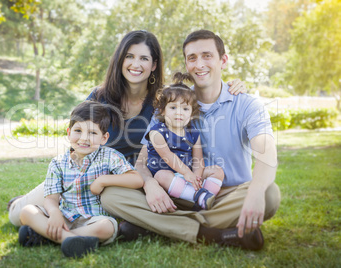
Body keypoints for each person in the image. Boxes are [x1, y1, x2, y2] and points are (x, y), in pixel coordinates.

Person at [7, 30, 246, 227]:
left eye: (144, 58)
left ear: (154, 65)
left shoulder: (162, 103)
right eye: (129, 56)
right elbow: (78, 140)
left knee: (110, 210)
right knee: (18, 217)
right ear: (120, 60)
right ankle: (20, 203)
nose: (135, 64)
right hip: (88, 175)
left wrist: (234, 84)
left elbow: (193, 99)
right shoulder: (99, 98)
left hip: (133, 181)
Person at [100, 30, 281, 251]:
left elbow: (267, 155)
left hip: (223, 196)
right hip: (174, 192)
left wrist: (254, 193)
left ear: (223, 60)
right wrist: (151, 185)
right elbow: (143, 161)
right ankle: (214, 233)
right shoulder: (173, 103)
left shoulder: (247, 104)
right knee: (110, 195)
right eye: (192, 58)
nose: (199, 64)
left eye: (207, 55)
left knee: (269, 193)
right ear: (186, 64)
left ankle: (157, 226)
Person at [18, 101, 144, 258]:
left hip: (93, 219)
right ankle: (71, 240)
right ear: (69, 133)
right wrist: (55, 213)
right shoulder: (58, 163)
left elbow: (136, 179)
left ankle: (47, 237)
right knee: (27, 212)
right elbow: (51, 198)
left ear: (104, 138)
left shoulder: (110, 156)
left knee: (108, 227)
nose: (84, 138)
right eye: (78, 130)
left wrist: (103, 180)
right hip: (65, 215)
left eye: (92, 133)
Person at [145, 72, 224, 211]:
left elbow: (198, 160)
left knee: (217, 171)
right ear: (162, 110)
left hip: (187, 177)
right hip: (166, 178)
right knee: (161, 176)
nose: (179, 112)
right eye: (173, 107)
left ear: (191, 113)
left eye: (185, 108)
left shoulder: (193, 133)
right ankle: (197, 197)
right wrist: (187, 173)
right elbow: (169, 157)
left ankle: (203, 197)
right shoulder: (157, 132)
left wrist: (196, 179)